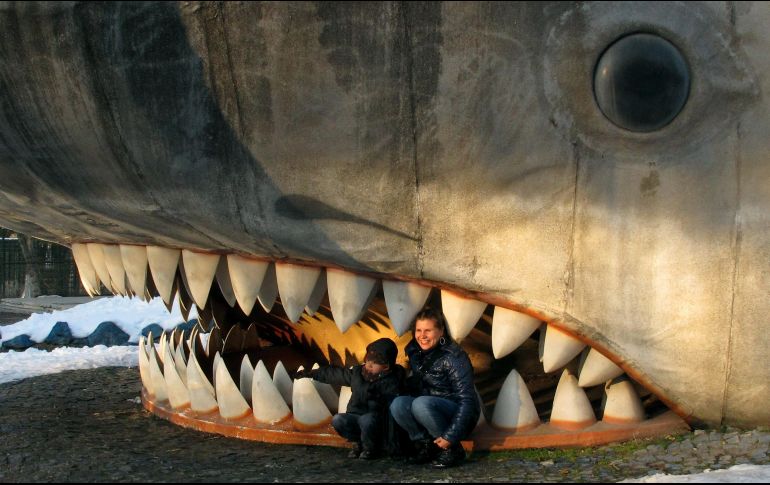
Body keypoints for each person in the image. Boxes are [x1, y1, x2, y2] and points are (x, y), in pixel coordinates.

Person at [389, 308, 480, 468]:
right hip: (428, 409)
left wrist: (451, 436)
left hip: (458, 416)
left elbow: (468, 400)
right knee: (398, 404)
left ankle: (451, 450)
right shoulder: (415, 352)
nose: (422, 336)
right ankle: (426, 446)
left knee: (421, 403)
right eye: (418, 330)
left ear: (441, 332)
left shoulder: (454, 357)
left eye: (428, 331)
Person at [294, 337, 405, 459]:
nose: (369, 364)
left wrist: (375, 394)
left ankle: (370, 448)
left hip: (377, 421)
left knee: (366, 420)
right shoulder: (357, 373)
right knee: (338, 420)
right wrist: (312, 374)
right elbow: (335, 374)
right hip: (356, 415)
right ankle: (358, 442)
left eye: (376, 362)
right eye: (368, 359)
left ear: (386, 366)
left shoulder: (393, 379)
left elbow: (391, 399)